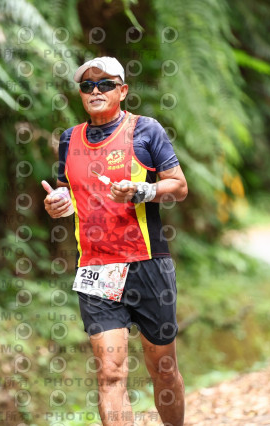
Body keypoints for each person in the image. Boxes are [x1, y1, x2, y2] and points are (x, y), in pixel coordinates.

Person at [43, 56, 188, 426]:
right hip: (96, 269)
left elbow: (179, 186)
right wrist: (58, 203)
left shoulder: (146, 130)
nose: (95, 91)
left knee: (163, 369)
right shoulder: (69, 139)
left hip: (148, 264)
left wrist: (142, 190)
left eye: (105, 84)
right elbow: (67, 192)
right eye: (87, 85)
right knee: (110, 373)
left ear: (122, 91)